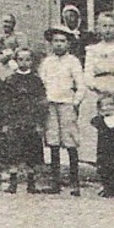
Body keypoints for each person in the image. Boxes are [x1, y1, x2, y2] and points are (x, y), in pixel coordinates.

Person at [39, 27, 84, 195]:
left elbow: (81, 85)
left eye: (62, 41)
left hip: (66, 104)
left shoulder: (73, 61)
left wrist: (75, 102)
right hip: (51, 105)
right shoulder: (47, 62)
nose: (58, 44)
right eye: (56, 41)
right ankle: (55, 182)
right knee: (53, 142)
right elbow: (41, 83)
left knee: (70, 142)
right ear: (51, 44)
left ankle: (74, 183)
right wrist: (43, 101)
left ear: (68, 43)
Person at [0, 47, 49, 194]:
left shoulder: (36, 80)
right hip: (15, 120)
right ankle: (13, 182)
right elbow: (5, 102)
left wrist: (40, 123)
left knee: (32, 151)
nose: (24, 62)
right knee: (13, 151)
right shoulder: (11, 79)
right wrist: (6, 122)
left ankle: (31, 182)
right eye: (20, 59)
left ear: (32, 61)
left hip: (31, 121)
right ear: (16, 60)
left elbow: (41, 102)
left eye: (27, 59)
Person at [83, 12, 114, 126]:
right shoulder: (92, 50)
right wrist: (96, 87)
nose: (108, 30)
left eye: (111, 26)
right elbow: (88, 73)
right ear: (98, 28)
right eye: (104, 26)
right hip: (98, 91)